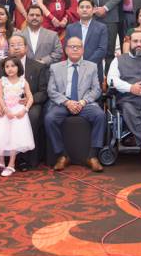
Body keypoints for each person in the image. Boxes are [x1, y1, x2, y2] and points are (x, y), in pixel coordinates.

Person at [0, 33, 48, 171]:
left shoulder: (38, 67)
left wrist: (29, 100)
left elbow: (43, 91)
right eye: (12, 45)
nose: (16, 48)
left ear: (26, 48)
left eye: (19, 44)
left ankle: (23, 160)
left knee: (32, 116)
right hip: (3, 101)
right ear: (8, 49)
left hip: (28, 103)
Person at [45, 37, 105, 173]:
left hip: (84, 103)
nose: (75, 49)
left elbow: (96, 90)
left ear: (83, 50)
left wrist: (83, 102)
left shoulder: (91, 66)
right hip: (63, 103)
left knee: (100, 116)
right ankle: (62, 155)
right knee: (49, 119)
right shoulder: (55, 67)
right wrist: (67, 102)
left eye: (78, 46)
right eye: (72, 46)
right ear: (66, 50)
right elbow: (51, 91)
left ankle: (93, 156)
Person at [0, 56, 35, 177]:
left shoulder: (23, 81)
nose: (10, 69)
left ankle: (11, 164)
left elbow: (30, 97)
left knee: (14, 137)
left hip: (18, 112)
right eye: (7, 66)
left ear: (18, 67)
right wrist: (5, 110)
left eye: (13, 66)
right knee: (1, 135)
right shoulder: (2, 81)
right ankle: (1, 161)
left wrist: (25, 110)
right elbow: (0, 97)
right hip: (5, 111)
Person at [65, 0, 108, 83]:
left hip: (94, 69)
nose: (84, 9)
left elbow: (102, 50)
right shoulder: (70, 28)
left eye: (88, 7)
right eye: (82, 7)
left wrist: (86, 65)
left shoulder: (101, 27)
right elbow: (67, 48)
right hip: (74, 69)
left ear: (93, 10)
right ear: (77, 10)